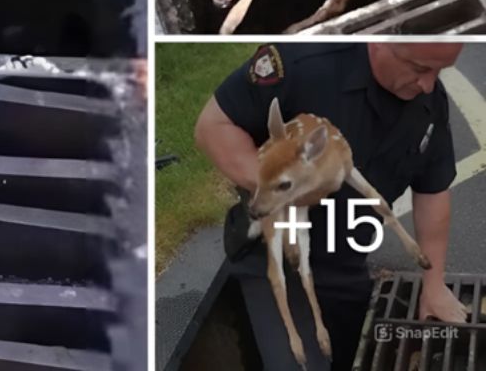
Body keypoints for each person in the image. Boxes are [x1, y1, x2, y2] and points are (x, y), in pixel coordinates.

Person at [195, 42, 466, 371]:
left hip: (346, 264)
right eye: (420, 68)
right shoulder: (303, 64)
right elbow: (213, 127)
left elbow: (433, 190)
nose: (428, 84)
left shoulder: (430, 104)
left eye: (440, 71)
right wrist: (282, 188)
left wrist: (434, 286)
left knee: (358, 354)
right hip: (275, 257)